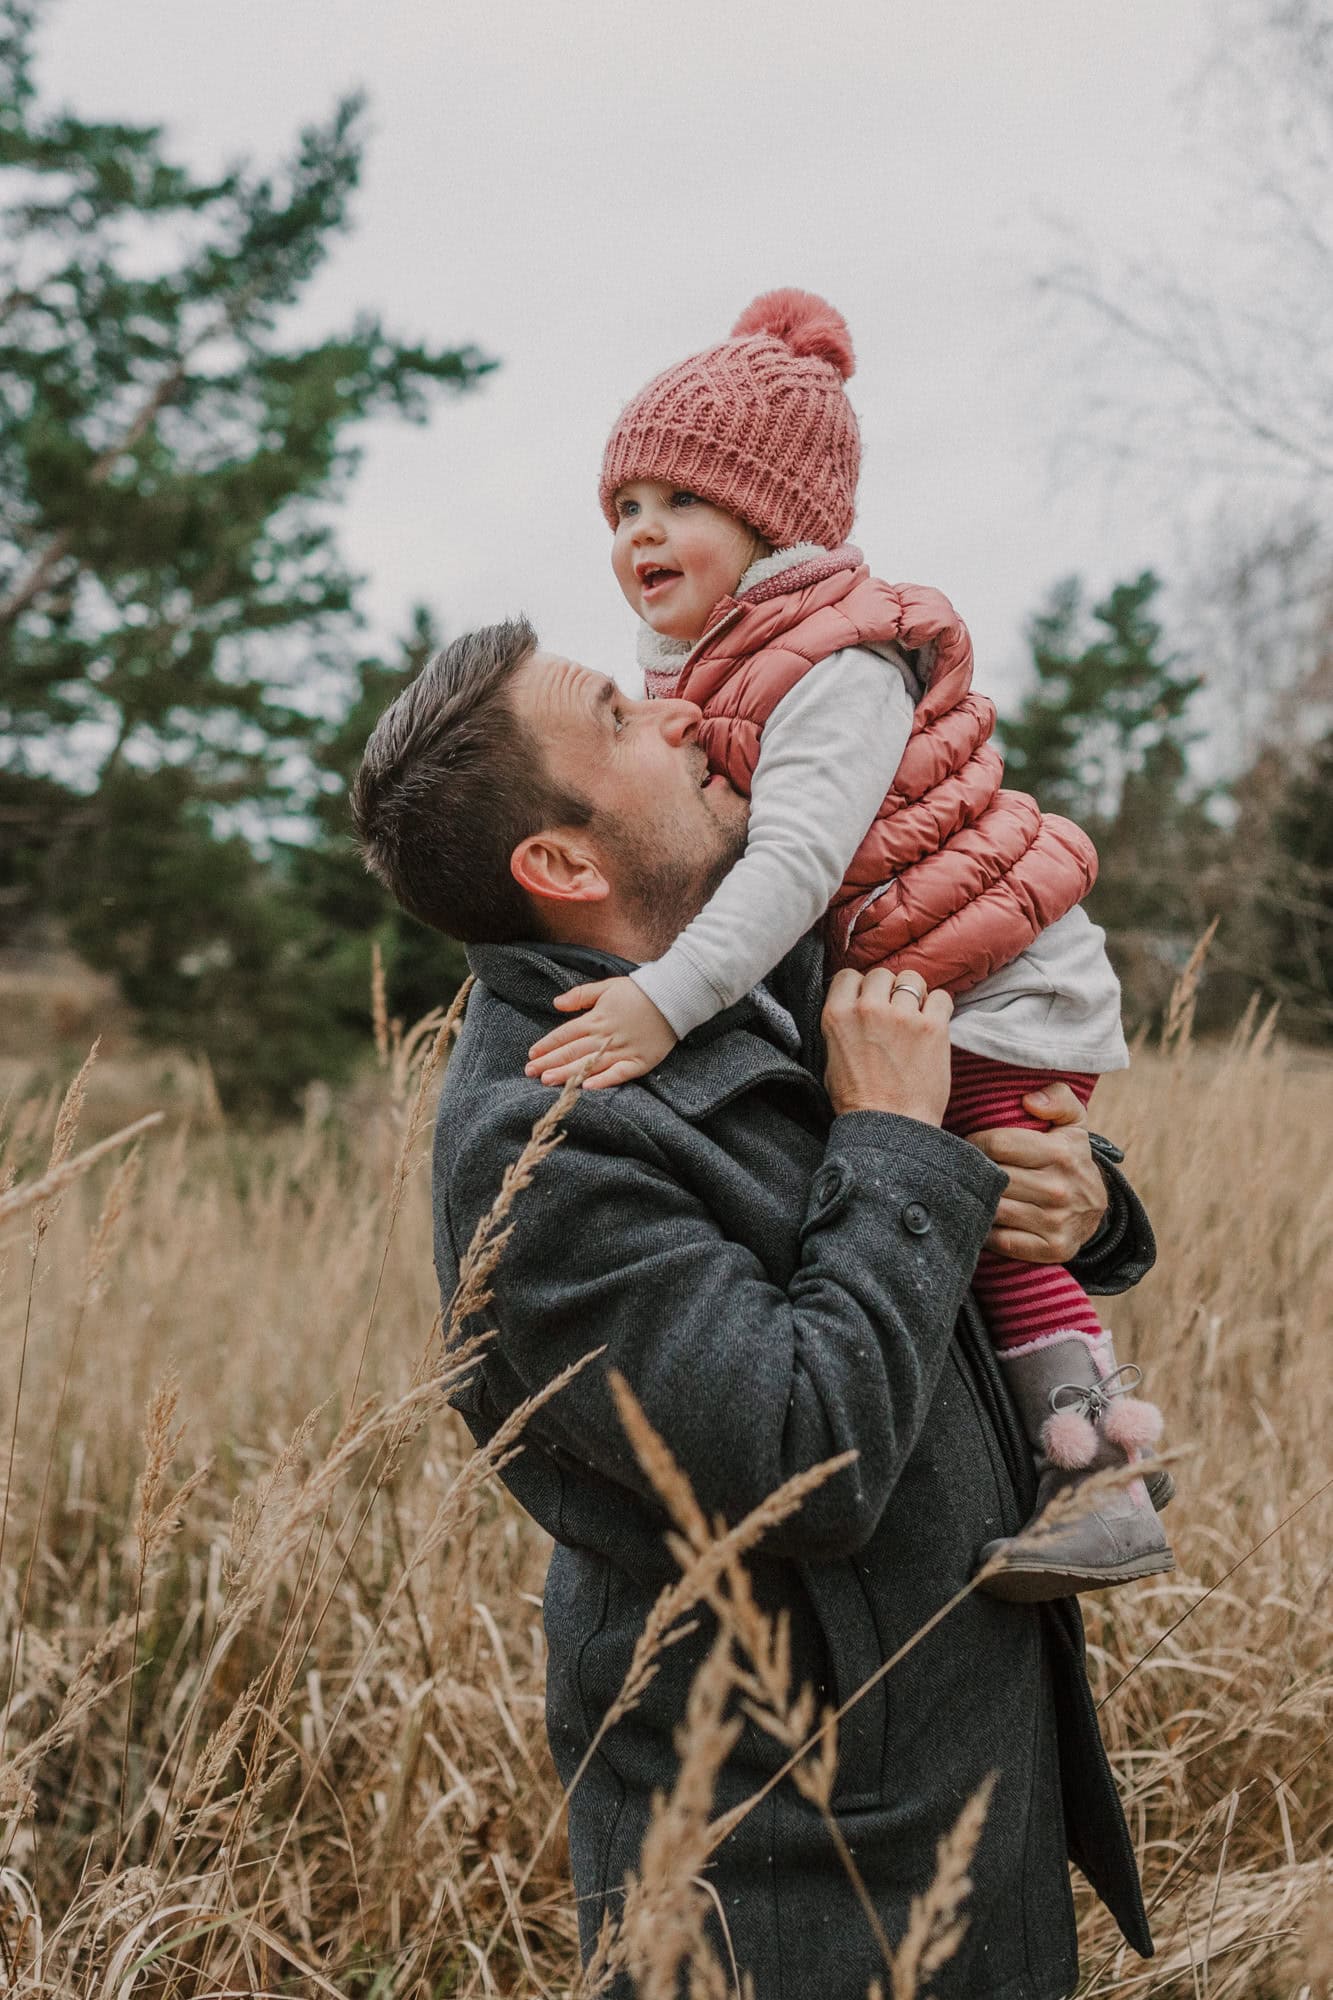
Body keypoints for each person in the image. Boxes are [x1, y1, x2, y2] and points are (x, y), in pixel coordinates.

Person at [350, 618, 1158, 1997]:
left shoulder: (763, 961)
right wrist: (896, 1143)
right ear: (562, 863)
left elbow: (962, 1205)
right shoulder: (545, 1146)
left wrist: (1083, 1203)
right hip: (794, 1880)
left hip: (961, 1781)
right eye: (618, 716)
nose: (682, 712)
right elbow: (802, 1463)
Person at [525, 289, 1173, 1599]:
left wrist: (662, 999)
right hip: (933, 968)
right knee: (977, 1205)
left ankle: (1097, 1482)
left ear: (772, 517)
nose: (640, 532)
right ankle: (1087, 1468)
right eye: (621, 509)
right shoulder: (724, 668)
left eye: (679, 501)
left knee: (984, 1211)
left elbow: (797, 867)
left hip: (991, 975)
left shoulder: (835, 665)